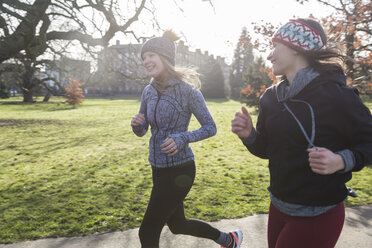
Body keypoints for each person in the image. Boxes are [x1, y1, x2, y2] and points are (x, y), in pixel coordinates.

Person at [231, 18, 372, 248]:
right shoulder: (270, 97)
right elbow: (266, 150)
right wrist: (249, 136)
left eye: (275, 46)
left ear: (297, 47)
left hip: (319, 214)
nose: (269, 55)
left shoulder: (339, 97)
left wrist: (341, 160)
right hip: (278, 206)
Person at [131, 30, 243, 248]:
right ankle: (229, 240)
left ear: (165, 57)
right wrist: (137, 125)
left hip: (180, 170)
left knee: (148, 232)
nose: (146, 61)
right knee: (178, 225)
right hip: (158, 167)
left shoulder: (188, 92)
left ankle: (229, 240)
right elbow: (144, 129)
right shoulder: (148, 91)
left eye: (151, 55)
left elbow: (211, 128)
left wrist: (182, 138)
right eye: (144, 57)